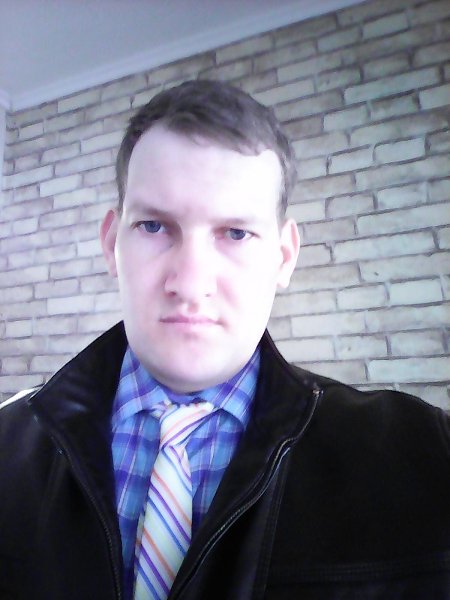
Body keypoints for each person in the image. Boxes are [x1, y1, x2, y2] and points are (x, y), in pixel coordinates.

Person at [0, 80, 449, 600]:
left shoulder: (424, 457)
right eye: (153, 227)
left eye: (235, 233)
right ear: (111, 244)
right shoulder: (6, 449)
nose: (191, 284)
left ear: (283, 257)